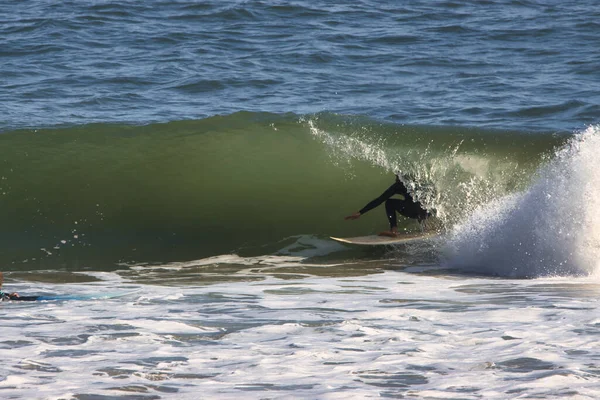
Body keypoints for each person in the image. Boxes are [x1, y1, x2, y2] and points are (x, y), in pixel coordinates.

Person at [345, 172, 431, 237]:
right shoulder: (418, 183)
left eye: (397, 176)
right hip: (427, 212)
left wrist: (360, 212)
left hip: (415, 211)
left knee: (389, 202)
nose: (395, 179)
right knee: (419, 203)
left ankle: (394, 231)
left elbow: (380, 200)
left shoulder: (398, 185)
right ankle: (426, 226)